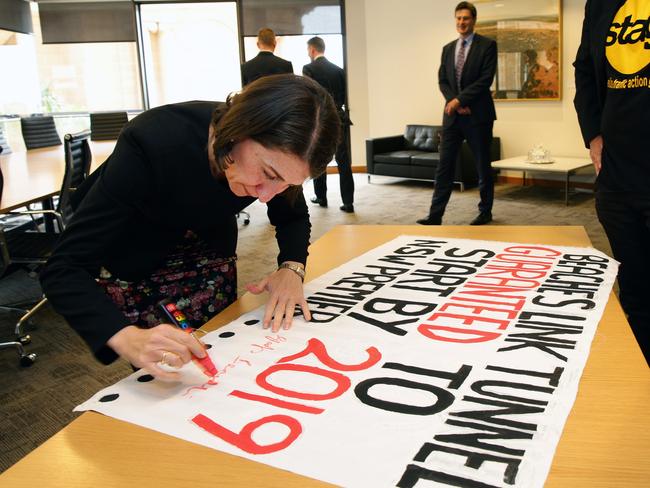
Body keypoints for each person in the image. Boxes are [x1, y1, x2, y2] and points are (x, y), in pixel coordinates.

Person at [39, 74, 341, 380]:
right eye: (267, 173)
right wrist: (125, 336)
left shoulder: (279, 162)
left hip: (210, 260)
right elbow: (63, 267)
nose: (266, 196)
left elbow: (292, 216)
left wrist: (292, 268)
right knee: (168, 373)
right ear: (239, 133)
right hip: (138, 261)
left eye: (286, 184)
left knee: (224, 362)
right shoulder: (152, 142)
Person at [573, 0, 650, 365]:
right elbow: (585, 70)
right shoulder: (600, 3)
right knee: (635, 294)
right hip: (619, 178)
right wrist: (593, 135)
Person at [417, 1, 497, 226]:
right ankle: (435, 215)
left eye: (466, 18)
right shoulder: (448, 48)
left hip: (478, 116)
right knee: (444, 166)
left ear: (474, 20)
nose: (462, 22)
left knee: (483, 166)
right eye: (458, 18)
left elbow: (485, 80)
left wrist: (460, 100)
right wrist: (454, 102)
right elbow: (442, 80)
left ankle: (485, 211)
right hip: (453, 118)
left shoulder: (488, 45)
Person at [302, 36, 354, 213]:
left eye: (308, 49)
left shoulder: (308, 69)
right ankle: (348, 202)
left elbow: (311, 96)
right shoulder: (339, 70)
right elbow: (345, 96)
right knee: (344, 161)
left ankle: (321, 196)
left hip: (321, 119)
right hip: (340, 117)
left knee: (319, 157)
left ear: (312, 50)